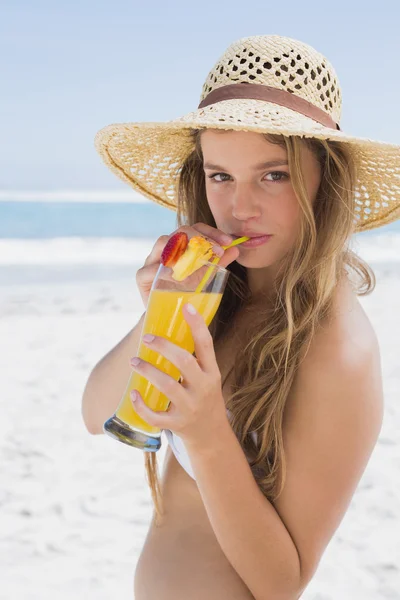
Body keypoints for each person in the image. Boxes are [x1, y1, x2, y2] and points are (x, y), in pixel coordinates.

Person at [82, 34, 400, 599]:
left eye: (272, 175)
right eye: (220, 175)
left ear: (324, 179)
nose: (239, 207)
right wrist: (156, 314)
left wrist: (207, 435)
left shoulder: (335, 347)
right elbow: (96, 413)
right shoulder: (218, 298)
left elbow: (283, 582)